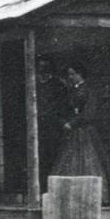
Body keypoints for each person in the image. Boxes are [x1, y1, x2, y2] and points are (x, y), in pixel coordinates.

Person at [49, 62, 110, 204]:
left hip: (85, 131)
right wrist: (64, 122)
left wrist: (72, 123)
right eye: (69, 75)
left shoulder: (89, 90)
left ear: (80, 74)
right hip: (71, 133)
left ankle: (92, 197)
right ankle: (72, 197)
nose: (71, 77)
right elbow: (63, 110)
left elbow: (90, 112)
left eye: (73, 74)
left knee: (88, 161)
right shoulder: (70, 91)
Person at [36, 57, 69, 193]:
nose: (43, 69)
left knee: (54, 157)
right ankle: (42, 190)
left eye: (46, 66)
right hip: (38, 126)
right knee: (39, 158)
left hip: (53, 126)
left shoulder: (58, 84)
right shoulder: (34, 84)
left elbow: (62, 105)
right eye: (40, 67)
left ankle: (54, 190)